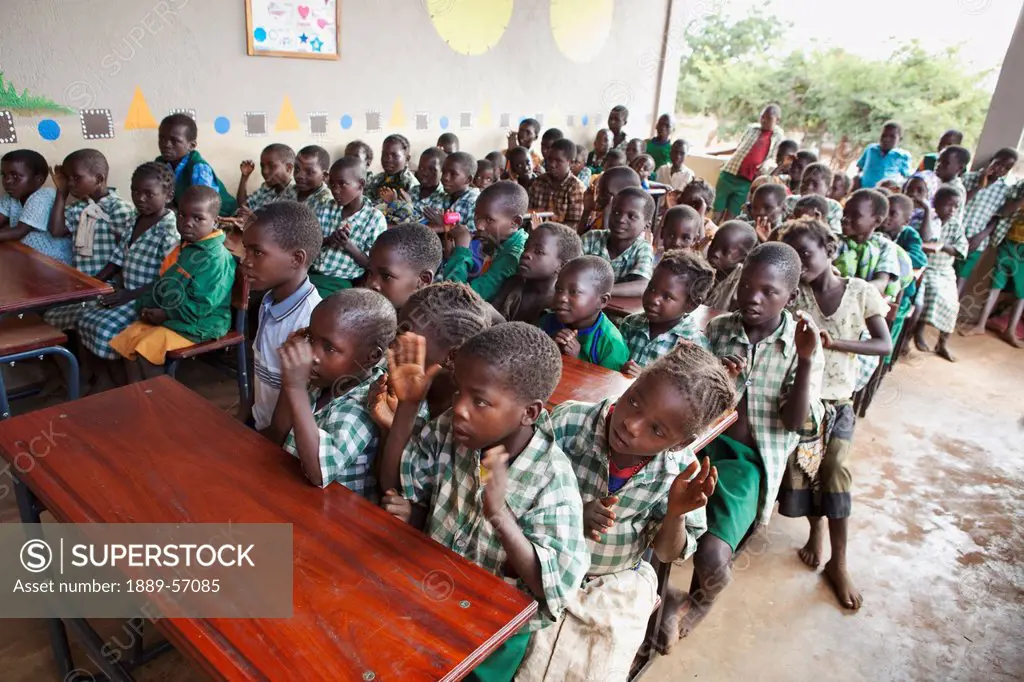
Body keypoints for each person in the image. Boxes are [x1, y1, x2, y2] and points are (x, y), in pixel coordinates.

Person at [381, 322, 588, 681]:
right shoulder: (451, 428)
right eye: (459, 391)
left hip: (495, 634)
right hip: (430, 588)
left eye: (479, 401)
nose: (459, 408)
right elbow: (394, 485)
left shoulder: (552, 481)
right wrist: (408, 408)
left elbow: (553, 588)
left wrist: (500, 516)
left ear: (530, 413)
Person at [517, 344, 734, 680]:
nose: (632, 425)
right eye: (634, 400)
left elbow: (665, 551)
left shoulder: (681, 471)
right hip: (542, 563)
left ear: (679, 443)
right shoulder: (570, 422)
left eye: (657, 430)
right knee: (520, 652)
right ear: (633, 383)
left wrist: (676, 513)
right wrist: (572, 513)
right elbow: (520, 490)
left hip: (612, 581)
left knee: (592, 667)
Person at [675, 242, 824, 639]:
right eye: (746, 287)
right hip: (703, 444)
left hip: (749, 462)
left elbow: (794, 422)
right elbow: (695, 395)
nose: (752, 299)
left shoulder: (801, 345)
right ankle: (654, 594)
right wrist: (720, 378)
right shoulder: (722, 328)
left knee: (711, 552)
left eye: (768, 292)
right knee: (654, 512)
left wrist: (807, 359)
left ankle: (701, 600)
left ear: (791, 297)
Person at [778, 220, 891, 610]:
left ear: (831, 250)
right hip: (806, 401)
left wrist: (835, 343)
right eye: (793, 259)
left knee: (836, 471)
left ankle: (839, 564)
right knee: (809, 472)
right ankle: (816, 535)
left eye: (806, 254)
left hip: (840, 402)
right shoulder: (796, 297)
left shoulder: (860, 292)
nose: (801, 264)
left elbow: (883, 343)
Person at [266, 289, 397, 496]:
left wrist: (296, 388)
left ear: (371, 356)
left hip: (331, 518)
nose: (312, 354)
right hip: (287, 488)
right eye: (310, 338)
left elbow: (319, 473)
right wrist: (291, 381)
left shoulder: (368, 403)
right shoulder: (320, 379)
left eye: (329, 347)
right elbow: (277, 434)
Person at [108, 186, 235, 382]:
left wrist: (166, 314)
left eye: (198, 218)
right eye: (182, 216)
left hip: (202, 323)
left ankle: (160, 403)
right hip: (175, 315)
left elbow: (200, 306)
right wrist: (146, 305)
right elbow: (162, 283)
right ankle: (140, 398)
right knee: (129, 340)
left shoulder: (215, 258)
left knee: (145, 350)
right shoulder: (185, 247)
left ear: (215, 221)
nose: (187, 223)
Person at [74, 162, 181, 393]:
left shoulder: (169, 229)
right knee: (83, 316)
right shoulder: (135, 219)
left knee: (105, 329)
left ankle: (119, 381)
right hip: (125, 290)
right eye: (135, 191)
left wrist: (127, 295)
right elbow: (118, 258)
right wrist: (96, 282)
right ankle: (106, 376)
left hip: (147, 297)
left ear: (168, 195)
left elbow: (168, 279)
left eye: (149, 194)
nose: (140, 198)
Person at [368, 283, 492, 440]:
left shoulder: (462, 418)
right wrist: (389, 429)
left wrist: (398, 425)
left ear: (452, 357)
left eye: (406, 339)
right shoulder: (388, 377)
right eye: (398, 329)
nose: (392, 344)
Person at [241, 201, 323, 433]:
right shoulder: (268, 302)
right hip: (259, 423)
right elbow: (259, 372)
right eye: (246, 249)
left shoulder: (309, 322)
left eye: (257, 252)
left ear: (296, 259)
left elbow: (285, 420)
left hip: (278, 441)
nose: (245, 260)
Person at [43, 148, 134, 289]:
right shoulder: (78, 208)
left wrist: (97, 283)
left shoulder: (119, 209)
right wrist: (61, 193)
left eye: (76, 178)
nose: (71, 183)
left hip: (109, 285)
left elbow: (125, 254)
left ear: (99, 179)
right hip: (82, 284)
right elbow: (56, 230)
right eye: (68, 178)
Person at [619, 249, 714, 377]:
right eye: (651, 288)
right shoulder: (630, 324)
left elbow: (686, 391)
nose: (653, 299)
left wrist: (643, 378)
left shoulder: (694, 345)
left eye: (667, 297)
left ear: (691, 304)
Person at [309, 156, 386, 296]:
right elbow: (309, 244)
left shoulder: (374, 218)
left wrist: (348, 245)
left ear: (361, 185)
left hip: (341, 281)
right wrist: (329, 240)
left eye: (342, 184)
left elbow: (372, 265)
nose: (335, 190)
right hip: (310, 274)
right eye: (332, 184)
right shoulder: (326, 208)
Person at [538, 256, 629, 371]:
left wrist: (576, 360)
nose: (562, 297)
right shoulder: (547, 320)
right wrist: (549, 344)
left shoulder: (611, 345)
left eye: (574, 292)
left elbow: (606, 385)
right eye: (559, 289)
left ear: (602, 301)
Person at [444, 181, 527, 302]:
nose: (479, 226)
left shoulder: (512, 257)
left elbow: (458, 299)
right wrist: (451, 253)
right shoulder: (498, 238)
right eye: (477, 217)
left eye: (489, 220)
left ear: (515, 222)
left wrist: (461, 250)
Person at [964, 181, 1024, 346]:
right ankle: (980, 325)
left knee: (1022, 292)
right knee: (995, 284)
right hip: (1008, 243)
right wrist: (1020, 201)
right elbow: (1003, 212)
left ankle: (1010, 331)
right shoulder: (1018, 189)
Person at [914, 185, 967, 361]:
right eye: (947, 205)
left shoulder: (955, 226)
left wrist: (943, 246)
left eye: (955, 206)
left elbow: (961, 250)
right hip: (926, 269)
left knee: (952, 304)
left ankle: (942, 343)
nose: (952, 210)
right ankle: (916, 333)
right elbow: (923, 239)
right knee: (929, 296)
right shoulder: (927, 218)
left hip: (944, 271)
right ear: (935, 203)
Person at [955, 147, 1020, 290]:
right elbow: (958, 204)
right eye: (998, 164)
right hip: (954, 233)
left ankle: (951, 308)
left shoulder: (1005, 190)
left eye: (1006, 168)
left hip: (976, 239)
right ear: (991, 161)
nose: (1001, 169)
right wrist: (980, 186)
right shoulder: (968, 178)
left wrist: (981, 236)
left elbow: (997, 217)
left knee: (962, 276)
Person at [493, 221, 582, 323]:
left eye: (538, 252)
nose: (526, 254)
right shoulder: (513, 284)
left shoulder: (560, 304)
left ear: (562, 266)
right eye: (526, 247)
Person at [712, 103, 784, 222]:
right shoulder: (752, 129)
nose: (764, 120)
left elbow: (773, 159)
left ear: (777, 120)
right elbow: (738, 148)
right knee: (716, 211)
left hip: (746, 182)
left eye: (768, 118)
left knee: (732, 216)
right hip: (729, 173)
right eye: (762, 117)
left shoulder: (778, 136)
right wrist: (715, 153)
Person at [581, 187, 656, 297]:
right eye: (616, 212)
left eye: (631, 216)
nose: (621, 219)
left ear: (646, 225)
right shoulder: (592, 237)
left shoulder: (642, 248)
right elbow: (569, 269)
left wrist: (598, 291)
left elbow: (642, 285)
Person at [156, 113, 236, 215]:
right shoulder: (160, 164)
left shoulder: (199, 168)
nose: (166, 144)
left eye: (174, 140)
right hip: (186, 214)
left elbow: (203, 206)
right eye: (162, 138)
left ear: (192, 146)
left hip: (220, 215)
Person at [879, 194, 928, 357]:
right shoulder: (877, 230)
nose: (887, 218)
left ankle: (883, 361)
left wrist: (891, 252)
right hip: (880, 289)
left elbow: (920, 258)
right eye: (885, 212)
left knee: (892, 319)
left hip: (902, 295)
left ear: (906, 221)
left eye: (893, 214)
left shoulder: (909, 234)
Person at [0, 149, 67, 262]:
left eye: (16, 176)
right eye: (4, 175)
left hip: (54, 262)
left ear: (38, 180)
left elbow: (19, 231)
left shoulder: (44, 195)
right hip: (28, 257)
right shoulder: (10, 197)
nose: (7, 181)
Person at [834, 189, 901, 298]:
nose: (845, 219)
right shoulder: (834, 240)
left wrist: (850, 291)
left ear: (877, 221)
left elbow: (881, 283)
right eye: (845, 213)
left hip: (864, 302)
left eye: (856, 215)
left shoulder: (885, 247)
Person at [364, 222, 443, 311]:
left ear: (422, 281)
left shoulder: (423, 322)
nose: (371, 284)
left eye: (386, 276)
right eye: (370, 272)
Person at [378, 147, 446, 225]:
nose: (424, 173)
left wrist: (408, 205)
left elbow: (424, 225)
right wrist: (394, 202)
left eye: (432, 170)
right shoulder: (414, 190)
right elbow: (400, 216)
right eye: (421, 168)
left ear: (443, 171)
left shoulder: (443, 198)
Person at [529, 139, 586, 226]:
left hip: (562, 237)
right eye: (549, 159)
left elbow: (574, 225)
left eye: (558, 161)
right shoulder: (538, 182)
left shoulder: (576, 187)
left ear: (571, 163)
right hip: (535, 233)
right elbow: (528, 211)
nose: (552, 164)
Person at [422, 151, 481, 235]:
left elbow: (475, 235)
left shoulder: (474, 202)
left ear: (468, 179)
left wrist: (446, 225)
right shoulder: (442, 196)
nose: (445, 178)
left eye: (453, 174)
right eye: (444, 172)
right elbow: (420, 212)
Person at [704, 220, 758, 311]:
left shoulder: (740, 285)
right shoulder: (699, 267)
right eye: (713, 245)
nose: (715, 253)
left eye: (725, 251)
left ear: (742, 258)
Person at [577, 165, 641, 235]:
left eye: (605, 193)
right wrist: (587, 211)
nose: (598, 197)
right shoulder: (600, 217)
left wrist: (606, 217)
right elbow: (581, 238)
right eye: (599, 191)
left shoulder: (626, 223)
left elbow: (606, 243)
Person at [783, 162, 844, 232]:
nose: (808, 187)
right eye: (804, 182)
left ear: (828, 190)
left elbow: (835, 234)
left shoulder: (834, 207)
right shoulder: (790, 201)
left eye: (815, 184)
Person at [236, 143, 296, 212]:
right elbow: (243, 205)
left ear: (288, 168)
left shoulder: (294, 195)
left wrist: (252, 217)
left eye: (272, 166)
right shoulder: (266, 189)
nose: (265, 171)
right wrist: (244, 177)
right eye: (262, 166)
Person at [854, 121, 912, 189]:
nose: (886, 139)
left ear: (900, 139)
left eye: (892, 137)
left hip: (886, 193)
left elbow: (906, 177)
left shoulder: (902, 156)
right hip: (865, 189)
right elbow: (860, 168)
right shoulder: (870, 149)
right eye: (884, 135)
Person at [365, 134, 418, 204]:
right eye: (384, 154)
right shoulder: (377, 179)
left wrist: (395, 203)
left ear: (407, 158)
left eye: (395, 155)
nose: (388, 159)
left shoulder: (412, 185)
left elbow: (413, 213)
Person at [294, 145, 334, 221]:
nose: (299, 175)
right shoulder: (289, 190)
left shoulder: (325, 201)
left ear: (324, 176)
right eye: (297, 169)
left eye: (309, 172)